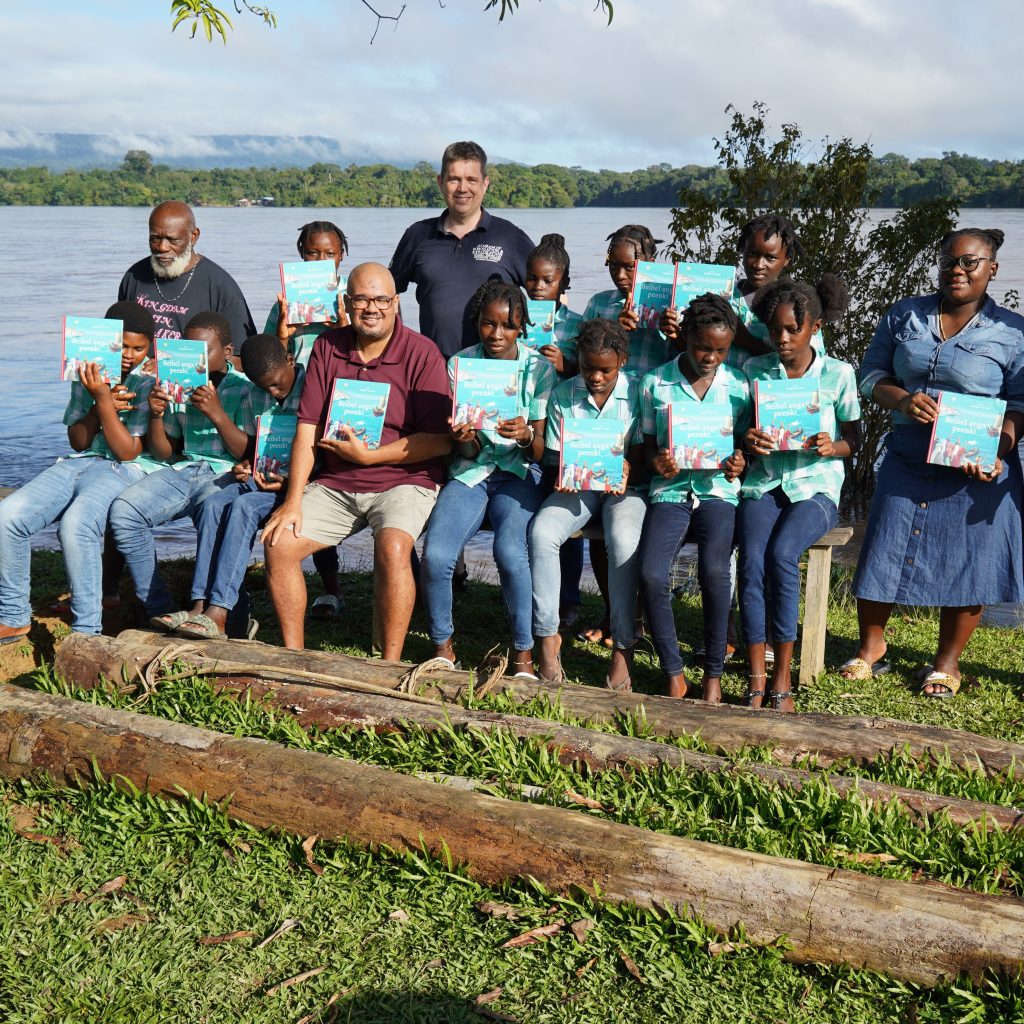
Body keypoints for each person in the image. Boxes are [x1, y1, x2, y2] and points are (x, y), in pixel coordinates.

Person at [841, 228, 1024, 697]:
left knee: (971, 561)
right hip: (907, 456)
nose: (957, 270)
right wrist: (902, 401)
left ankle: (946, 663)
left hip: (975, 466)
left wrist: (997, 452)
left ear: (992, 268)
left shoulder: (1012, 333)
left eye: (970, 262)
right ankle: (870, 650)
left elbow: (1020, 405)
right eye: (949, 261)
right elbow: (870, 376)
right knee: (884, 544)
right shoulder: (905, 315)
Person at [260, 263, 451, 658]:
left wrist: (372, 456)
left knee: (394, 547)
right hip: (336, 482)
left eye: (381, 299)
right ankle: (293, 657)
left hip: (404, 479)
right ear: (347, 303)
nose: (372, 308)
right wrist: (293, 500)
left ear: (396, 304)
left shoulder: (422, 353)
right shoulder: (327, 347)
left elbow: (438, 441)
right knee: (279, 545)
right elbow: (307, 428)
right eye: (362, 299)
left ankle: (388, 663)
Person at [420, 277, 557, 678]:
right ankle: (443, 647)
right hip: (472, 471)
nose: (497, 334)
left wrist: (527, 435)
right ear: (477, 322)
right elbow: (465, 452)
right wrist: (464, 438)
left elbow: (540, 451)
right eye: (488, 324)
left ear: (521, 327)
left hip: (518, 472)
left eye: (508, 326)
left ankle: (522, 653)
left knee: (511, 553)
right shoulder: (459, 365)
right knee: (437, 555)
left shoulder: (537, 369)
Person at [0, 302, 160, 642]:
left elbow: (128, 451)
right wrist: (95, 399)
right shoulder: (88, 371)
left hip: (126, 468)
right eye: (122, 347)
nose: (130, 355)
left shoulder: (151, 379)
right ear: (105, 343)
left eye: (138, 347)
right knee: (7, 516)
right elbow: (77, 441)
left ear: (151, 346)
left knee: (77, 525)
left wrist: (104, 402)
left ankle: (87, 631)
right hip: (81, 460)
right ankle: (14, 615)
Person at [738, 276, 861, 712]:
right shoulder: (755, 373)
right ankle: (756, 677)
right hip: (765, 481)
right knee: (751, 560)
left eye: (794, 329)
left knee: (782, 554)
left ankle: (782, 674)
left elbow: (854, 439)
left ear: (816, 327)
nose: (784, 339)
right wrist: (750, 441)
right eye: (775, 330)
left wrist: (834, 446)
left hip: (816, 487)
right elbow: (743, 433)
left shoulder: (839, 374)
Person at [639, 294, 749, 702]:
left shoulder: (738, 387)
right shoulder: (655, 383)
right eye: (703, 347)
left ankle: (714, 675)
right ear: (685, 337)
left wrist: (741, 462)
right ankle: (673, 670)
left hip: (719, 492)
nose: (711, 358)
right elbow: (647, 447)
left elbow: (745, 447)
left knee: (716, 571)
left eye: (721, 350)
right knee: (651, 573)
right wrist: (658, 463)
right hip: (671, 492)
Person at [159, 334, 306, 640]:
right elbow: (255, 446)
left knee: (244, 506)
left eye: (276, 384)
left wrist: (291, 480)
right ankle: (200, 604)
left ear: (290, 361)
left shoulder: (312, 390)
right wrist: (247, 465)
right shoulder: (255, 394)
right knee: (214, 503)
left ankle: (221, 611)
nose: (272, 392)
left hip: (299, 485)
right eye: (264, 386)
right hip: (262, 477)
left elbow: (322, 454)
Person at [109, 311, 253, 624]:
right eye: (189, 350)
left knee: (218, 517)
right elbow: (164, 452)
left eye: (205, 351)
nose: (195, 359)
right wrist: (157, 414)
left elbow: (248, 451)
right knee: (125, 512)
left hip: (226, 474)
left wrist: (217, 414)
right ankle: (158, 608)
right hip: (185, 470)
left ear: (227, 352)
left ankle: (233, 616)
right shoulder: (178, 384)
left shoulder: (244, 388)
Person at [529, 318, 647, 689]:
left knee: (623, 541)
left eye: (605, 370)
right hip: (578, 489)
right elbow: (551, 455)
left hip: (625, 490)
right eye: (587, 368)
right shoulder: (565, 394)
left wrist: (631, 466)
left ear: (622, 361)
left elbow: (645, 453)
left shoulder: (639, 393)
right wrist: (564, 471)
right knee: (541, 532)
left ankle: (624, 646)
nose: (595, 377)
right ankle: (547, 637)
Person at [389, 141, 535, 358]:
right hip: (434, 368)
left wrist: (535, 349)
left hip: (493, 374)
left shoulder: (509, 236)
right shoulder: (417, 234)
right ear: (440, 182)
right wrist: (397, 342)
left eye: (471, 180)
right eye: (454, 179)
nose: (462, 188)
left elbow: (547, 293)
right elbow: (389, 292)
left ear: (485, 184)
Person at [525, 232, 585, 627]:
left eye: (547, 280)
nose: (538, 286)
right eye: (532, 279)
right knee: (532, 519)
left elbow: (593, 376)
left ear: (563, 283)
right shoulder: (516, 318)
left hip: (561, 437)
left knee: (564, 522)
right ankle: (538, 595)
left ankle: (570, 598)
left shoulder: (578, 326)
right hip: (525, 432)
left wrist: (566, 366)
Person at [118, 200, 256, 350]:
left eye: (173, 240)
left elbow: (239, 357)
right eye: (155, 238)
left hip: (191, 372)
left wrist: (167, 363)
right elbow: (117, 339)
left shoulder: (221, 286)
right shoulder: (134, 276)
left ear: (193, 236)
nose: (162, 247)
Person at [265, 220, 350, 368]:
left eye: (330, 254)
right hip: (301, 385)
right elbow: (267, 359)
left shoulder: (355, 293)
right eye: (313, 253)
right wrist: (282, 337)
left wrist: (344, 331)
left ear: (341, 255)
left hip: (342, 380)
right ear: (302, 252)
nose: (321, 260)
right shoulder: (287, 302)